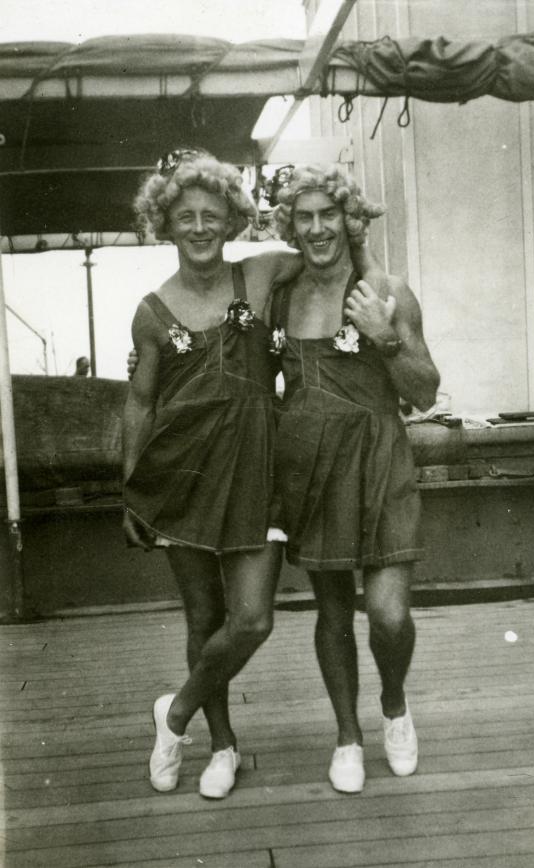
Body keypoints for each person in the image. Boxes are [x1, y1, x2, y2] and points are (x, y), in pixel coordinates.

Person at [122, 149, 300, 799]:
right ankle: (221, 747)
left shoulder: (260, 275)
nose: (199, 226)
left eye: (213, 215)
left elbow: (325, 245)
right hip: (183, 473)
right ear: (163, 225)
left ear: (232, 223)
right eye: (185, 216)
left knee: (251, 619)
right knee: (204, 617)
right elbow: (141, 402)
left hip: (258, 467)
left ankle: (175, 715)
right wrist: (132, 490)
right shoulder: (150, 311)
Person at [270, 164, 440, 793]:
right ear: (292, 226)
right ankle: (347, 733)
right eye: (304, 217)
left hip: (379, 457)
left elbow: (424, 392)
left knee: (389, 616)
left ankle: (394, 706)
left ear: (348, 219)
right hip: (311, 465)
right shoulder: (282, 295)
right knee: (333, 612)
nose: (317, 228)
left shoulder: (386, 289)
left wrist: (386, 338)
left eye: (328, 214)